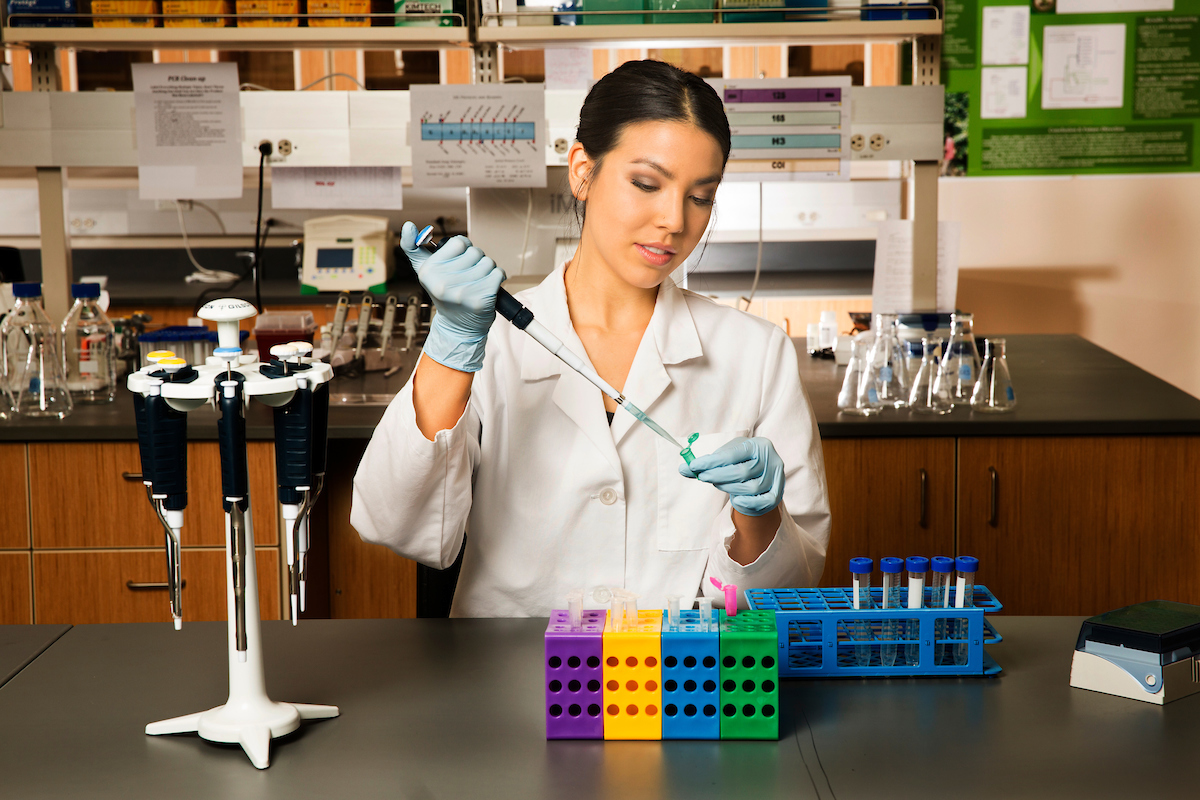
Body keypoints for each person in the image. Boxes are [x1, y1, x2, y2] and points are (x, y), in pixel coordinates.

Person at [351, 60, 831, 617]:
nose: (674, 220)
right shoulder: (496, 341)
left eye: (700, 196)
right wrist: (452, 348)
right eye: (646, 184)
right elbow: (393, 522)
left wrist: (760, 517)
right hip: (509, 681)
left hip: (681, 684)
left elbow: (790, 590)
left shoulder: (756, 354)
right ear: (582, 170)